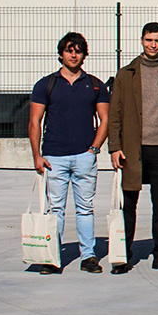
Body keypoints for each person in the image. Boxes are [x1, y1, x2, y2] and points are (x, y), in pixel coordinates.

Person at [107, 22, 158, 274]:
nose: (153, 45)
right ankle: (123, 255)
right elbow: (115, 114)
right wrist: (114, 147)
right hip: (132, 150)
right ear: (142, 40)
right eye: (149, 40)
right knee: (128, 205)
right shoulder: (126, 74)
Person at [28, 32, 110, 274]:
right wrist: (37, 156)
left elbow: (105, 120)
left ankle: (89, 256)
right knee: (56, 210)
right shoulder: (46, 84)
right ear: (61, 54)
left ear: (84, 55)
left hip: (84, 157)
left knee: (85, 208)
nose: (73, 55)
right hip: (53, 157)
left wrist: (94, 148)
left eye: (78, 50)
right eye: (69, 50)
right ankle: (52, 257)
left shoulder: (95, 85)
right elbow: (35, 122)